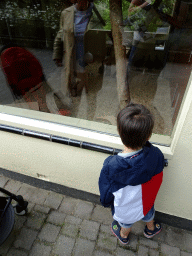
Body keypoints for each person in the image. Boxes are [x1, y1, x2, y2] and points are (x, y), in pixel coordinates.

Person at [99, 103, 164, 244]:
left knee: (126, 223)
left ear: (119, 132)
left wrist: (105, 203)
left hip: (126, 209)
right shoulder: (156, 154)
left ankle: (123, 236)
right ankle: (151, 228)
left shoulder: (111, 166)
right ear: (149, 135)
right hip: (147, 201)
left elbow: (106, 193)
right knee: (148, 213)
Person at [53, 0, 94, 102]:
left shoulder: (94, 12)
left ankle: (80, 88)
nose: (83, 2)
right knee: (70, 69)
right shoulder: (66, 13)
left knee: (81, 69)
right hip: (71, 48)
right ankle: (72, 89)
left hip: (86, 47)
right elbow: (60, 34)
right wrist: (57, 54)